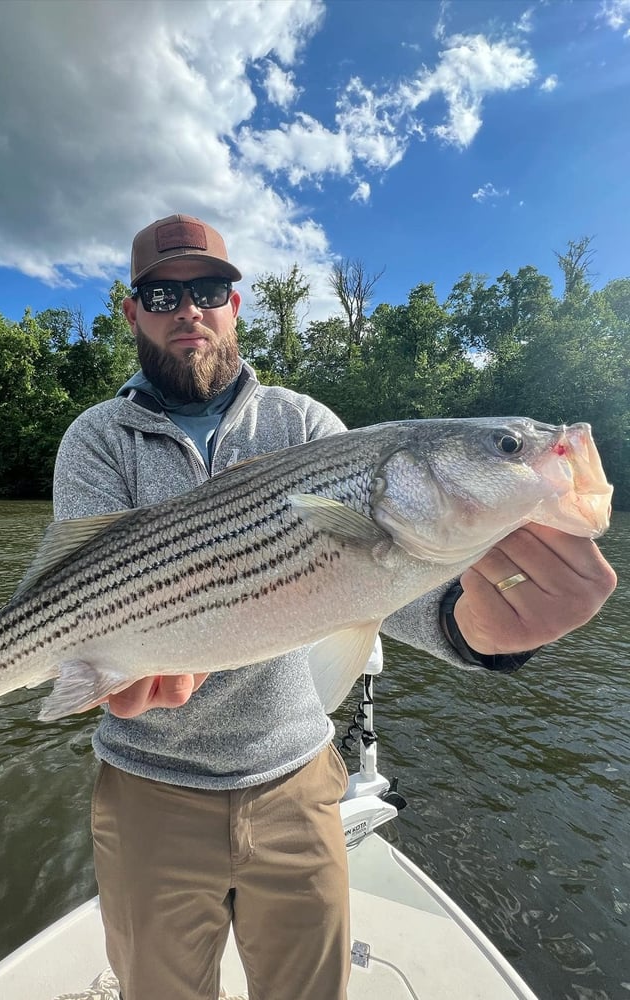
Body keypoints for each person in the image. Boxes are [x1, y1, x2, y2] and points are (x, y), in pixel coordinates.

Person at [52, 214, 616, 1000]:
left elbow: (391, 596)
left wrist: (487, 631)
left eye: (209, 289)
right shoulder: (97, 439)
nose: (190, 310)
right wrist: (106, 673)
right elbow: (76, 598)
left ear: (236, 302)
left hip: (296, 783)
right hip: (150, 789)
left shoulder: (306, 424)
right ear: (132, 310)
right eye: (162, 292)